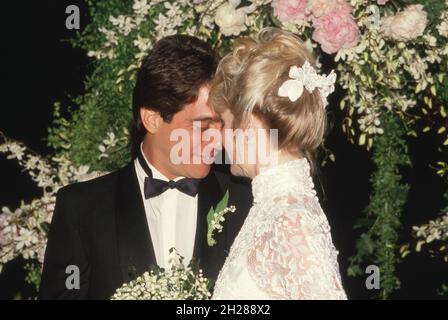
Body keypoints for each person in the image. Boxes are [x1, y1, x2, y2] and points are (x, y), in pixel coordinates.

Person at [38, 35, 252, 299]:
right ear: (152, 119)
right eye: (202, 126)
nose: (217, 139)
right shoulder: (82, 208)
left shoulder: (244, 202)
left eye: (221, 125)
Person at [209, 28, 347, 299]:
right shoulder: (275, 208)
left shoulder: (290, 219)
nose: (219, 139)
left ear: (247, 124)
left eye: (223, 124)